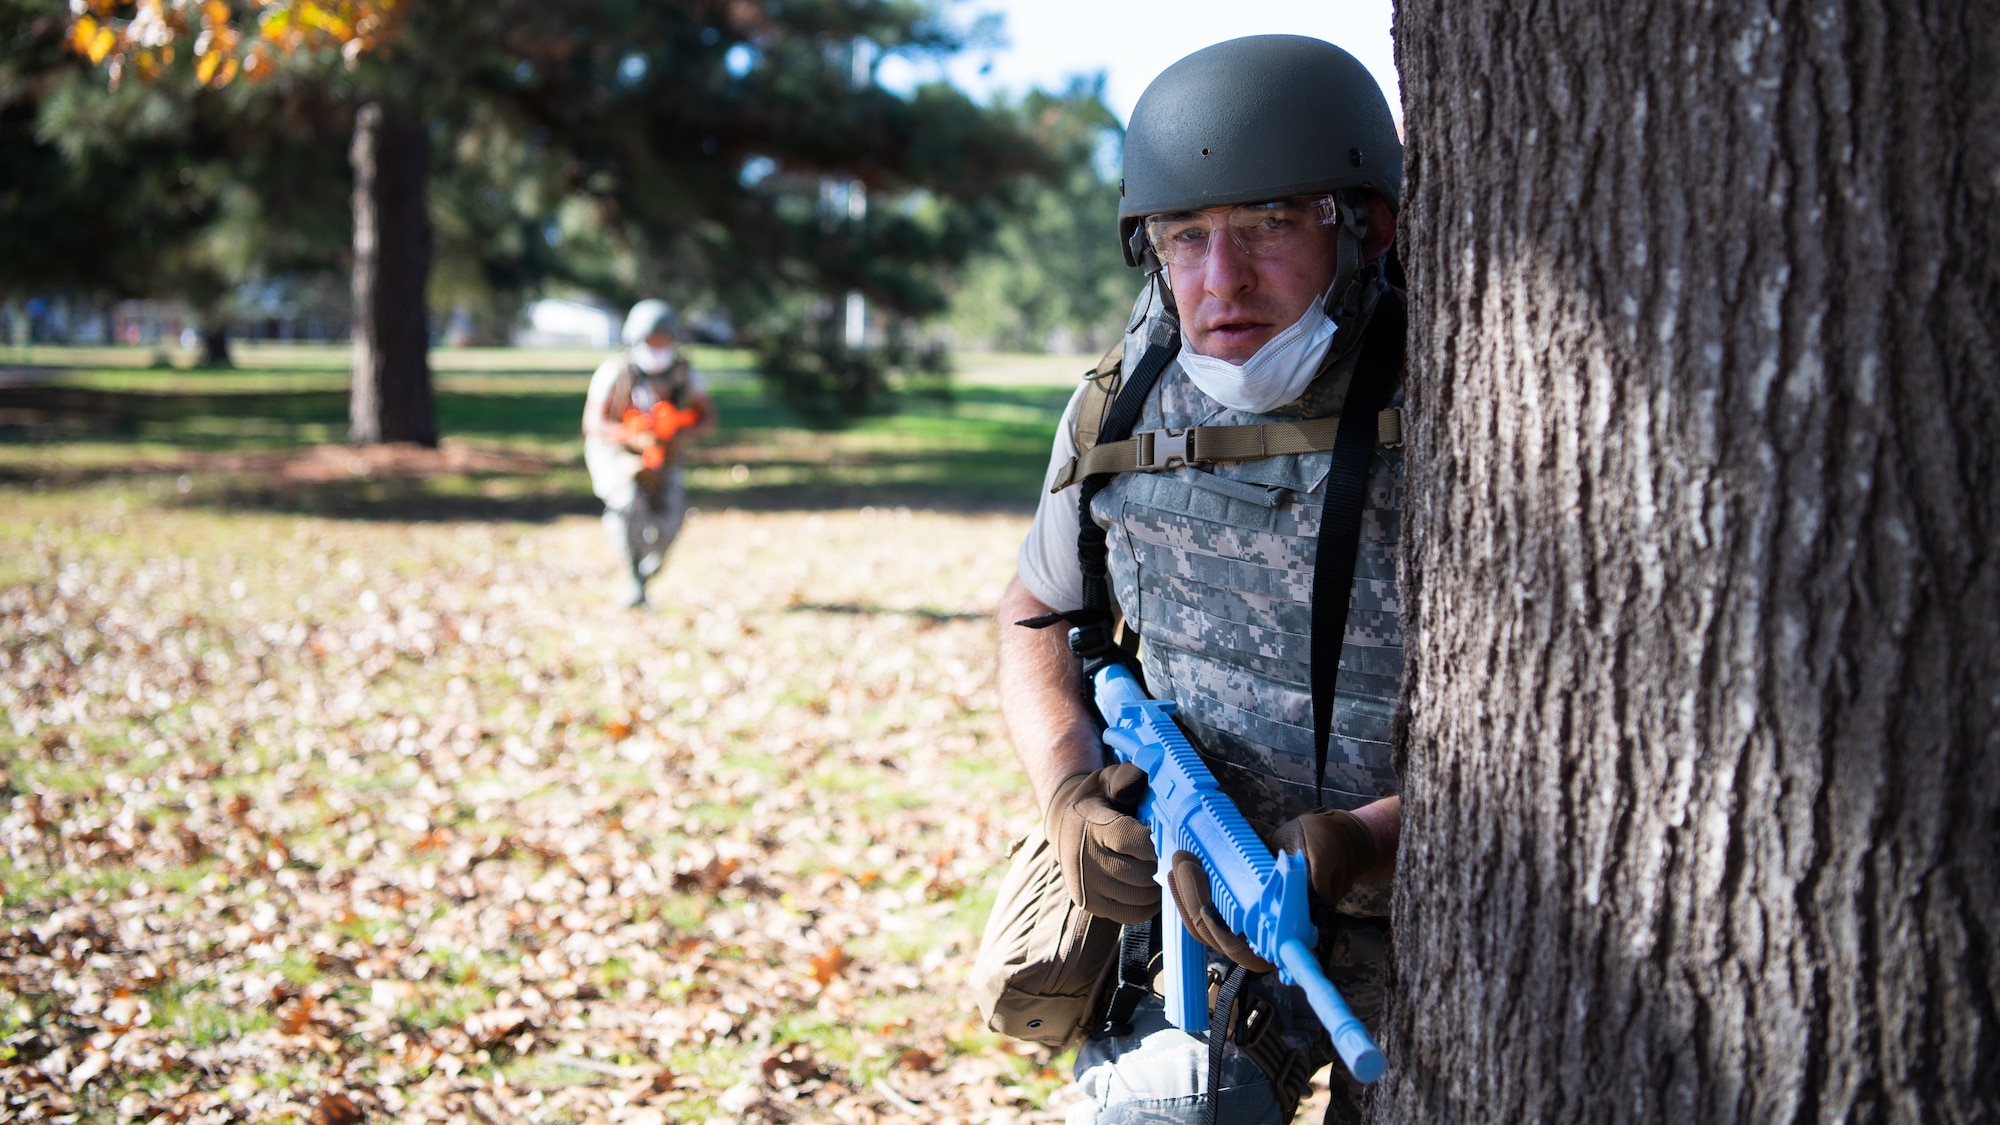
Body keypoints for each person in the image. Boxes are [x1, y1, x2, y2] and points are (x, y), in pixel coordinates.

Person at [976, 35, 1408, 1125]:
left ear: (1364, 227)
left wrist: (1368, 836)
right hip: (1203, 906)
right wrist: (1071, 791)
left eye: (1269, 226)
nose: (1219, 281)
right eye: (1184, 238)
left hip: (1441, 914)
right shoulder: (1121, 403)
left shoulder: (1461, 393)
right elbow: (1038, 611)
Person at [582, 300, 717, 607]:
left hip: (665, 454)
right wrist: (630, 433)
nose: (657, 348)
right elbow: (592, 422)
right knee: (628, 504)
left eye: (663, 341)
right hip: (618, 455)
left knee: (672, 519)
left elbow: (708, 416)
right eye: (650, 341)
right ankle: (633, 579)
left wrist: (678, 431)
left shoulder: (684, 374)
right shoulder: (616, 372)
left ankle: (647, 572)